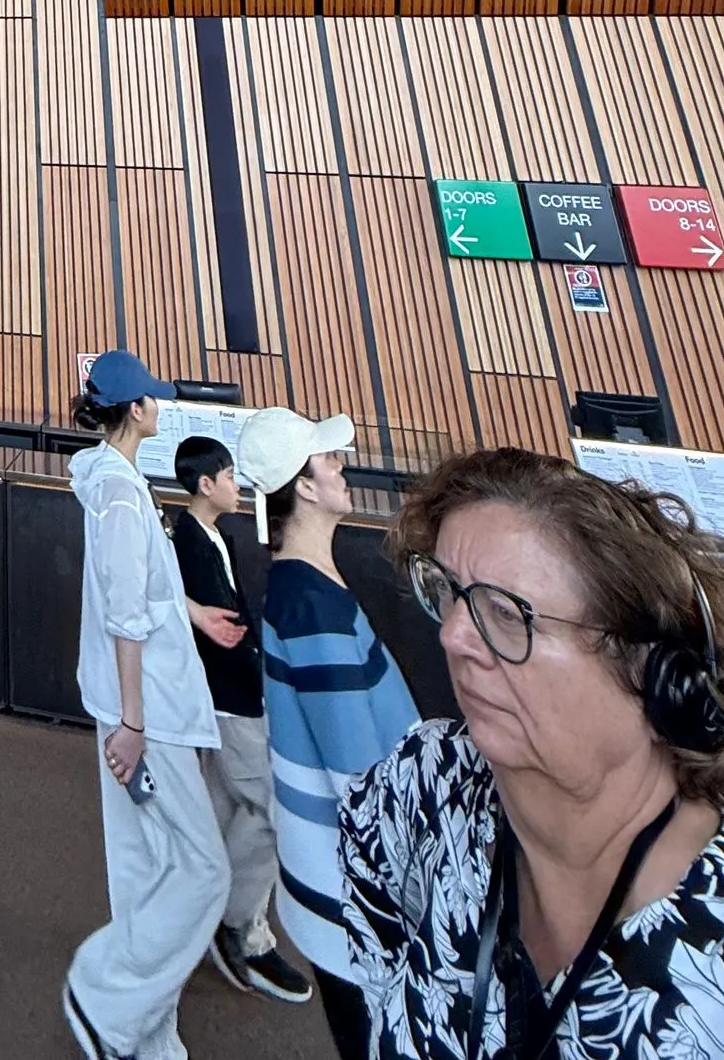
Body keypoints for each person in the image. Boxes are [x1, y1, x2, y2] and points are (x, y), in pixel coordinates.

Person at [342, 445, 724, 1059]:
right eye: (448, 591)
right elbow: (370, 901)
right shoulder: (429, 780)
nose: (453, 634)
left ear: (655, 673)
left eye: (506, 612)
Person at [62, 352, 229, 1060]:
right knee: (203, 869)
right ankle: (106, 1000)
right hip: (147, 710)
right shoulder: (124, 496)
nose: (161, 407)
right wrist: (133, 723)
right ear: (133, 410)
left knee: (143, 864)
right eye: (152, 399)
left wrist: (193, 612)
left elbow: (144, 592)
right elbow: (126, 615)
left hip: (129, 700)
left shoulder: (111, 479)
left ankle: (145, 1029)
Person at [238, 407, 415, 1060]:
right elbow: (360, 779)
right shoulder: (311, 605)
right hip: (356, 895)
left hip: (340, 885)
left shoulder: (305, 587)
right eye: (328, 460)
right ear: (303, 487)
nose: (342, 467)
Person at [171, 435, 310, 1004]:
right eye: (228, 477)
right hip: (227, 695)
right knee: (273, 806)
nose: (236, 486)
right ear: (206, 485)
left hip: (241, 688)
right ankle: (240, 925)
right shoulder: (186, 542)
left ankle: (204, 909)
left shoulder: (216, 536)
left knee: (225, 807)